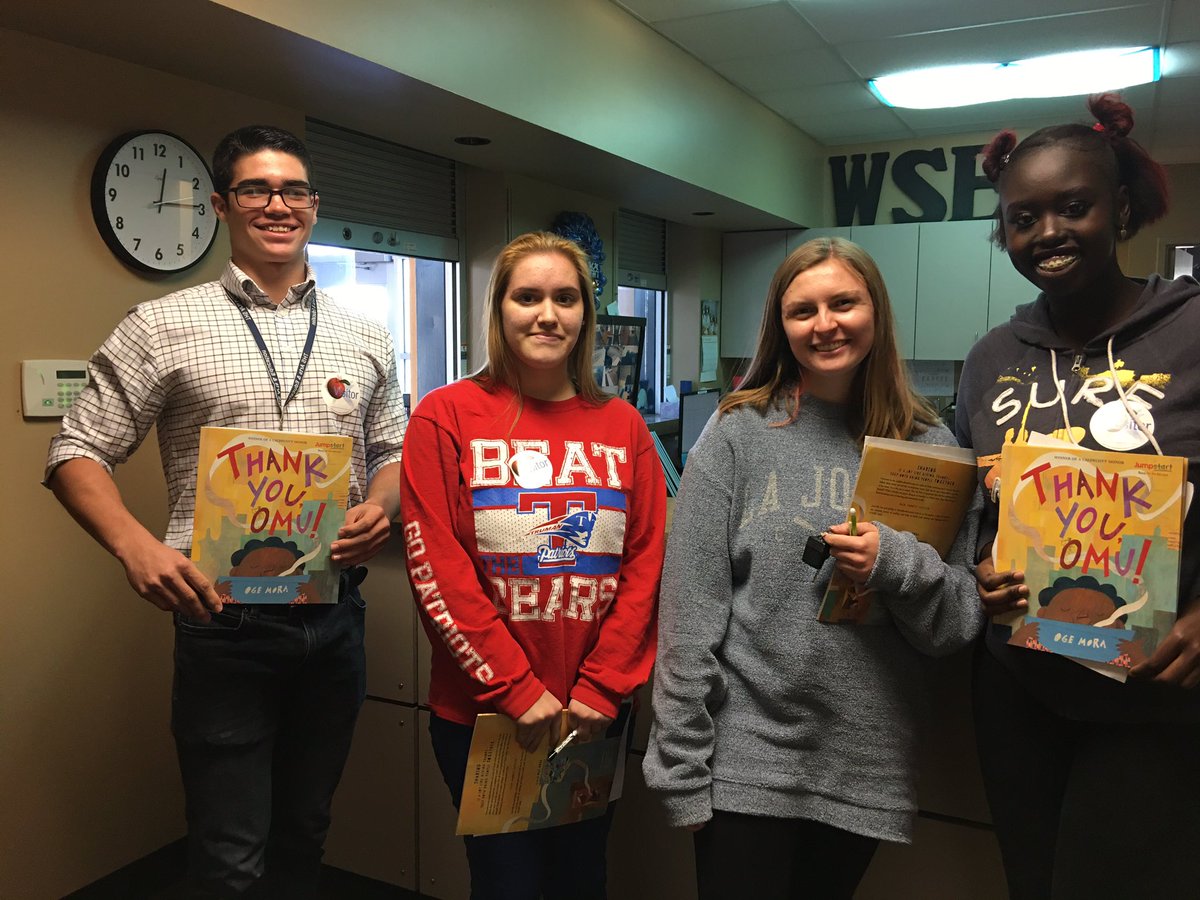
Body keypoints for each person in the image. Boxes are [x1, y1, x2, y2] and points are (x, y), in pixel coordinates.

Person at [44, 125, 406, 897]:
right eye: (256, 189)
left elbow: (392, 449)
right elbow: (75, 451)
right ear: (220, 204)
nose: (278, 204)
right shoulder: (161, 324)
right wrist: (135, 547)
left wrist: (380, 503)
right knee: (231, 852)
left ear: (315, 205)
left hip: (335, 618)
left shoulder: (366, 335)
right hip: (225, 623)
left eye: (293, 190)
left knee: (306, 831)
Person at [642, 237, 982, 899]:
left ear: (875, 312)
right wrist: (680, 769)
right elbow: (689, 613)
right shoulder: (738, 431)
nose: (824, 323)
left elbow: (955, 626)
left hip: (865, 766)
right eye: (803, 310)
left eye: (843, 303)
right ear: (782, 326)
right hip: (745, 760)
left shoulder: (930, 447)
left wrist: (894, 562)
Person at [957, 92, 1200, 899]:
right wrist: (978, 573)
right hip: (1018, 691)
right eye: (1023, 218)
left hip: (1152, 696)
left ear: (1121, 208)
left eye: (1073, 207)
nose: (1048, 233)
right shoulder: (991, 356)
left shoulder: (1191, 331)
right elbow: (974, 515)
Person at [399, 231, 665, 900]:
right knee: (507, 885)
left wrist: (604, 689)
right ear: (500, 309)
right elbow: (438, 567)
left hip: (592, 715)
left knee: (582, 878)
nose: (547, 314)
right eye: (528, 296)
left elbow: (644, 567)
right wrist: (515, 690)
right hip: (486, 716)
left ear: (585, 314)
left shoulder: (624, 426)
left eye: (565, 298)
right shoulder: (445, 417)